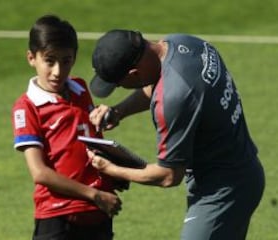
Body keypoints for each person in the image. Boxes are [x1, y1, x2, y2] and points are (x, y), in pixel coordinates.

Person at [86, 29, 265, 240]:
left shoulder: (175, 97)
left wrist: (112, 169)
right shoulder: (182, 43)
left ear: (134, 74)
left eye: (119, 84)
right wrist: (119, 111)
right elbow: (158, 84)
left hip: (223, 192)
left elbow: (169, 176)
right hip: (241, 173)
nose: (120, 88)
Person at [10, 15, 122, 240]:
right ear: (32, 58)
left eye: (66, 61)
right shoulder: (27, 107)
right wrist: (94, 194)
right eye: (49, 61)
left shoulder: (80, 88)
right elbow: (40, 173)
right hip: (57, 215)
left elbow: (90, 141)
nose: (58, 71)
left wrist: (115, 170)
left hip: (96, 212)